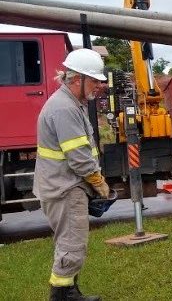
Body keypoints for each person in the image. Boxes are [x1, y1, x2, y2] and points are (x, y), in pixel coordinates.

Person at [34, 48, 110, 301]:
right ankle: (62, 296)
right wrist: (99, 182)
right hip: (64, 188)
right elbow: (78, 156)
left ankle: (69, 291)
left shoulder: (69, 103)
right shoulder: (65, 108)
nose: (98, 86)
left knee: (70, 240)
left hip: (63, 185)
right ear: (77, 79)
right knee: (72, 243)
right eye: (94, 80)